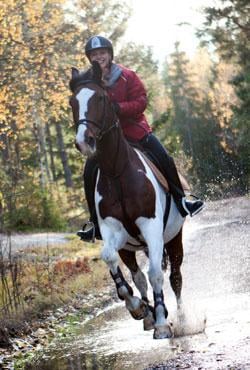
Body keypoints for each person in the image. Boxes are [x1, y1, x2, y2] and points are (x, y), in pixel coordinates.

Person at [77, 35, 204, 241]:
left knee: (164, 158)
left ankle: (183, 200)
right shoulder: (90, 84)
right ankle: (94, 223)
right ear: (89, 58)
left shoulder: (127, 76)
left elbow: (141, 102)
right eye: (94, 54)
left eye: (102, 53)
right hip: (108, 143)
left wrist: (118, 108)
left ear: (110, 54)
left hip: (135, 133)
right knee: (89, 171)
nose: (98, 57)